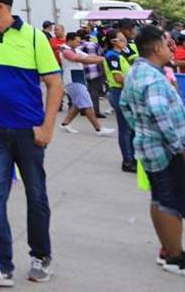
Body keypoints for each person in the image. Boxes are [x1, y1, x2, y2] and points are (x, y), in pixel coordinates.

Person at [0, 0, 63, 287]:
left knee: (36, 194)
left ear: (1, 6)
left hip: (28, 131)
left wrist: (47, 127)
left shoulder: (34, 37)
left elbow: (55, 84)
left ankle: (41, 256)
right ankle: (0, 265)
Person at [119, 25, 185, 274]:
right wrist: (178, 146)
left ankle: (168, 250)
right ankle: (175, 257)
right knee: (171, 202)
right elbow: (159, 114)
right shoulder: (154, 79)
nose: (171, 49)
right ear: (157, 48)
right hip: (166, 150)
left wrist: (141, 128)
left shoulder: (138, 71)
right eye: (167, 44)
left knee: (159, 198)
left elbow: (125, 105)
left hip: (149, 146)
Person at [59, 31, 114, 136]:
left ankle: (65, 123)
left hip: (78, 78)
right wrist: (103, 59)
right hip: (72, 79)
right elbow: (80, 59)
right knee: (87, 104)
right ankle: (99, 128)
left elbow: (89, 57)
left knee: (77, 104)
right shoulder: (65, 50)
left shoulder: (75, 50)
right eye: (77, 41)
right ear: (70, 40)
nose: (79, 43)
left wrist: (104, 58)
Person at [104, 30, 139, 172]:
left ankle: (132, 157)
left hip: (126, 92)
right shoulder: (112, 56)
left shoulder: (121, 55)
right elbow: (118, 78)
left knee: (131, 129)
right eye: (122, 39)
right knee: (125, 130)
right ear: (114, 42)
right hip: (119, 92)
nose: (125, 42)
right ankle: (127, 161)